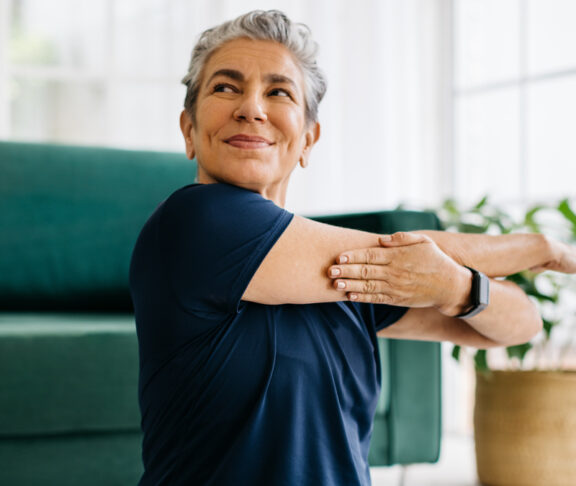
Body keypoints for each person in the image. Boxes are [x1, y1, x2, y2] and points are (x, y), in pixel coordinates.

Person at [129, 10, 576, 486]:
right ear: (189, 130)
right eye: (225, 87)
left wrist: (457, 287)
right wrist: (534, 246)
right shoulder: (192, 222)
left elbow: (518, 325)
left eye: (278, 92)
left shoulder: (350, 271)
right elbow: (396, 255)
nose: (252, 108)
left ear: (308, 139)